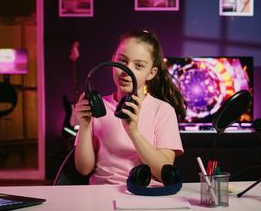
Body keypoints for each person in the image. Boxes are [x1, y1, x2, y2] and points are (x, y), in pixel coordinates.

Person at [73, 29, 185, 185]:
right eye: (122, 61)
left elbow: (164, 173)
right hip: (102, 192)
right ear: (112, 61)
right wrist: (85, 127)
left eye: (138, 65)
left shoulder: (163, 111)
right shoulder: (98, 108)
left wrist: (133, 132)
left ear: (151, 73)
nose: (127, 71)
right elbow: (83, 169)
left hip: (147, 195)